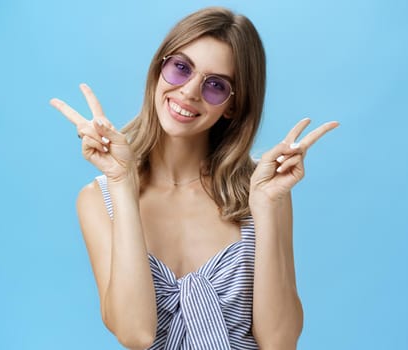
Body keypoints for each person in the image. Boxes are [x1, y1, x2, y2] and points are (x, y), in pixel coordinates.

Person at [50, 6, 338, 350]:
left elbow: (280, 341)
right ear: (160, 68)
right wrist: (122, 183)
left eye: (215, 85)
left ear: (232, 105)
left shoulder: (264, 190)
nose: (189, 92)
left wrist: (265, 207)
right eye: (181, 68)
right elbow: (135, 333)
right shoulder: (99, 199)